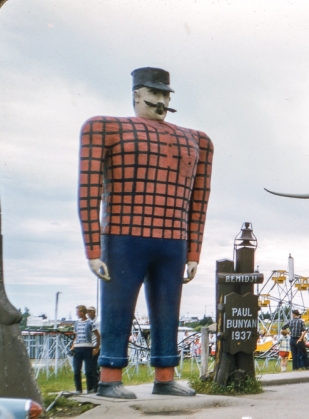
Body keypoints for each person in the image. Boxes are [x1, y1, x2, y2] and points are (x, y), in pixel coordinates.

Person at [78, 67, 214, 399]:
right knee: (117, 306)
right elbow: (89, 191)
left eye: (166, 94)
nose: (161, 100)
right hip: (124, 235)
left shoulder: (197, 140)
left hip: (173, 239)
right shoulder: (104, 128)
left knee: (168, 308)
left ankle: (165, 376)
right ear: (137, 94)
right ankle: (110, 377)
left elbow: (199, 202)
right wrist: (93, 250)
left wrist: (194, 253)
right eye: (154, 94)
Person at [71, 305, 99, 394]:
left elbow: (98, 336)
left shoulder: (90, 323)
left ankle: (89, 388)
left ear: (82, 312)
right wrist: (73, 345)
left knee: (88, 371)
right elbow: (76, 336)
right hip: (78, 348)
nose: (76, 314)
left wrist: (96, 348)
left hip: (87, 348)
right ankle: (78, 389)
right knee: (76, 370)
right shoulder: (76, 323)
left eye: (78, 312)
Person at [86, 306, 101, 393]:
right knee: (88, 368)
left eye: (91, 311)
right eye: (88, 312)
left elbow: (98, 335)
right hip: (88, 346)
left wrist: (97, 347)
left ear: (94, 312)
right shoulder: (88, 322)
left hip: (95, 346)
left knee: (94, 368)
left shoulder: (98, 321)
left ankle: (95, 387)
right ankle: (89, 387)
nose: (89, 313)